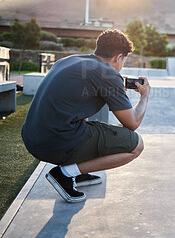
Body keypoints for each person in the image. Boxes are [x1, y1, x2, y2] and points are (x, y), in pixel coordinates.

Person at [22, 29, 150, 203]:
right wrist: (144, 96)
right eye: (124, 60)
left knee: (88, 120)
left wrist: (113, 84)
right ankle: (65, 173)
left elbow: (77, 101)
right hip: (54, 144)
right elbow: (132, 123)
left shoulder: (69, 60)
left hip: (33, 140)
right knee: (136, 145)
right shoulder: (107, 74)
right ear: (118, 57)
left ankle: (77, 171)